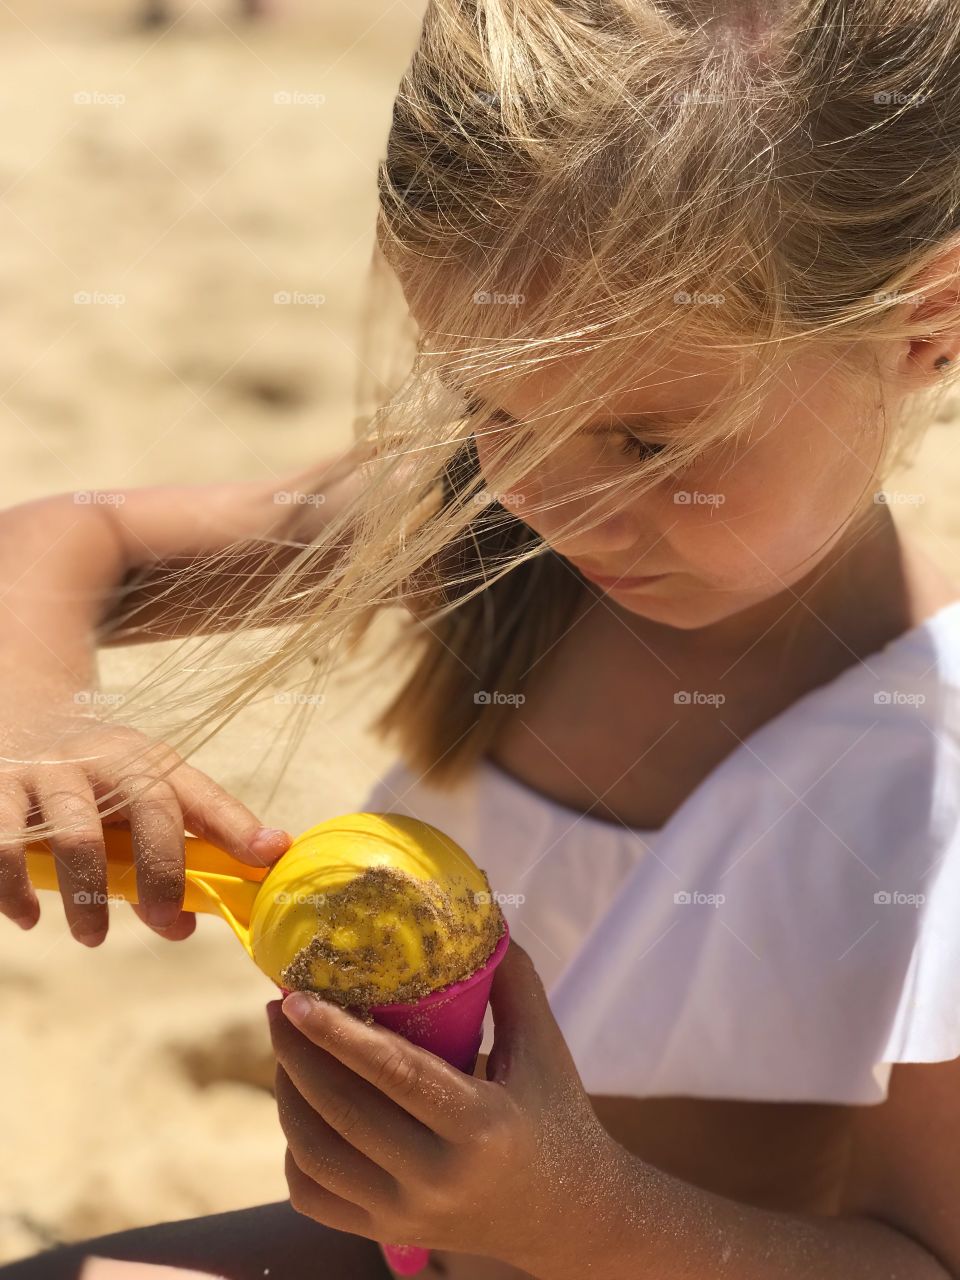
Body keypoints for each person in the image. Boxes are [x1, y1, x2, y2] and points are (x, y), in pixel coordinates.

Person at [4, 0, 960, 1276]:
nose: (552, 502)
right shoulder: (486, 523)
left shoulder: (927, 771)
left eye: (649, 443)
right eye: (491, 404)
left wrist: (567, 1215)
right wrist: (38, 718)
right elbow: (70, 540)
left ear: (924, 326)